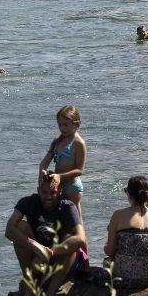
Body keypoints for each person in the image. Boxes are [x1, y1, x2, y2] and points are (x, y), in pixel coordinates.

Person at [4, 172, 87, 296]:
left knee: (70, 238)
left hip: (61, 258)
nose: (48, 196)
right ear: (38, 191)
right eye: (44, 192)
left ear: (60, 191)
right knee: (21, 227)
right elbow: (9, 230)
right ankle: (30, 286)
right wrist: (36, 247)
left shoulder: (67, 206)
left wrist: (51, 252)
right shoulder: (28, 202)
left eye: (53, 192)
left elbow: (80, 238)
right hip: (38, 254)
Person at [39, 106, 88, 248]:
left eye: (66, 125)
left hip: (72, 188)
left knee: (77, 226)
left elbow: (79, 170)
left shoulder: (79, 143)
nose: (62, 128)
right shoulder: (57, 141)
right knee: (60, 224)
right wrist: (42, 172)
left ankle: (85, 261)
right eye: (59, 124)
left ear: (76, 123)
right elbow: (44, 162)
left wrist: (60, 176)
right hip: (56, 187)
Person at [102, 176, 148, 288]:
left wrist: (106, 246)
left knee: (107, 261)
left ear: (129, 193)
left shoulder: (118, 215)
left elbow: (109, 251)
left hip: (122, 277)